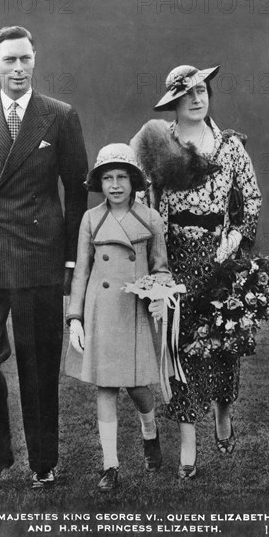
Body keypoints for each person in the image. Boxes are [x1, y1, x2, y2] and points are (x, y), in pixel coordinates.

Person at [0, 26, 88, 490]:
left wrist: (70, 261)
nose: (18, 68)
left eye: (25, 59)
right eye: (9, 60)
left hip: (39, 259)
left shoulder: (60, 116)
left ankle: (44, 463)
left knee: (38, 364)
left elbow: (77, 192)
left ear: (35, 59)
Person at [131, 64, 262, 479]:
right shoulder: (156, 145)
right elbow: (139, 197)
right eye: (186, 93)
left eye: (202, 90)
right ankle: (189, 440)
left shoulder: (230, 147)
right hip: (175, 261)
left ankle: (223, 415)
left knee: (222, 345)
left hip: (222, 259)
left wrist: (236, 238)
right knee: (182, 350)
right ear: (173, 102)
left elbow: (252, 198)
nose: (197, 98)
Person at [64, 143, 169, 492]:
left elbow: (162, 269)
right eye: (107, 177)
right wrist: (75, 317)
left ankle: (149, 432)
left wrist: (160, 294)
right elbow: (81, 271)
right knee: (106, 387)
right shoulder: (91, 219)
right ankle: (110, 464)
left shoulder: (149, 218)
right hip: (102, 310)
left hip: (136, 312)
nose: (115, 185)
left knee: (139, 387)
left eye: (122, 176)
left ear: (134, 180)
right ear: (99, 183)